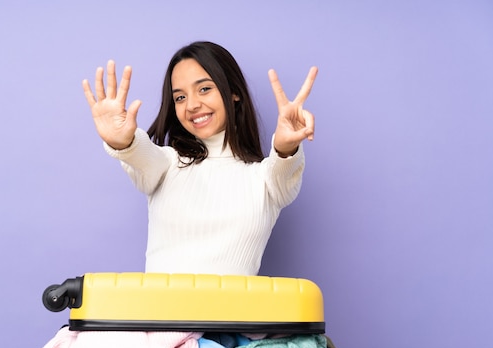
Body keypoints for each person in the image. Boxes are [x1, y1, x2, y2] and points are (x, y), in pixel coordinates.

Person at [83, 41, 318, 276]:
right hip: (158, 311)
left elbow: (283, 167)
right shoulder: (167, 164)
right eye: (180, 97)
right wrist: (122, 142)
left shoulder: (265, 179)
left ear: (234, 92)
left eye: (204, 89)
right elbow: (141, 153)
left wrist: (285, 146)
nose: (192, 105)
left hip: (234, 312)